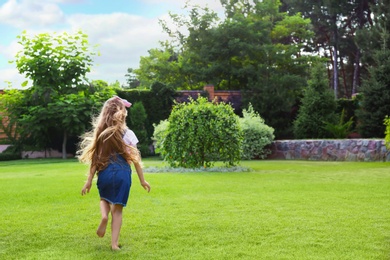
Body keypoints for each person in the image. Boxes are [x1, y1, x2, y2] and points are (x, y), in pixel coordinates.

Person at [77, 96, 151, 251]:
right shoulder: (129, 134)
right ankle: (114, 244)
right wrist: (142, 180)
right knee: (117, 211)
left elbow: (95, 161)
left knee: (104, 198)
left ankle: (104, 216)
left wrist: (89, 180)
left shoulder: (101, 133)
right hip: (123, 174)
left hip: (104, 173)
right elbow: (136, 160)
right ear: (122, 114)